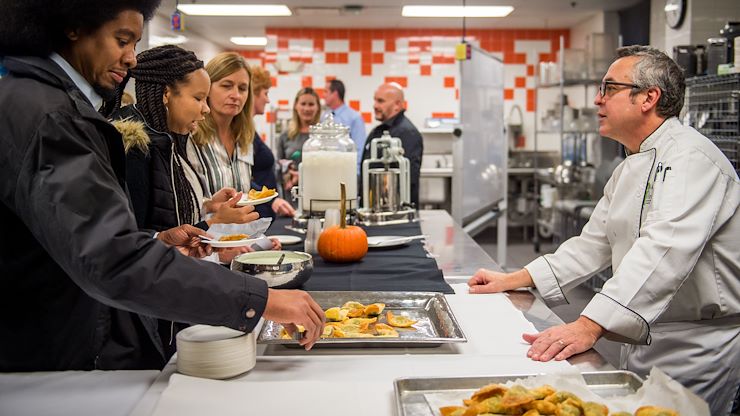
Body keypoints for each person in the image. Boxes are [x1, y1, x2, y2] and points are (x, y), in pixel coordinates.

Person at [0, 0, 323, 372]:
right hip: (43, 357)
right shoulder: (52, 118)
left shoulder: (42, 104)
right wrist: (260, 301)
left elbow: (83, 237)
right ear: (74, 25)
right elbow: (113, 259)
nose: (131, 59)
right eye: (122, 40)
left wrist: (156, 241)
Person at [468, 46, 739, 415]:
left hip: (695, 345)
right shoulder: (630, 164)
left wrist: (589, 324)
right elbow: (592, 244)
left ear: (648, 97)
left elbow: (665, 251)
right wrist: (516, 277)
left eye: (609, 88)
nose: (597, 99)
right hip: (642, 336)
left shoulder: (692, 159)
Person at [116, 45, 258, 235]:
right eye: (199, 98)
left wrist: (207, 205)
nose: (206, 109)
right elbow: (134, 239)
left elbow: (170, 211)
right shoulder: (134, 148)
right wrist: (213, 223)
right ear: (166, 94)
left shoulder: (171, 141)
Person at [187, 53, 293, 222]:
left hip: (243, 242)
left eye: (242, 88)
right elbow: (182, 207)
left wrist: (258, 241)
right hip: (203, 244)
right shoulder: (190, 136)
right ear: (207, 88)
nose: (236, 95)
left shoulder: (245, 138)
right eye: (227, 86)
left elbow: (243, 194)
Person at [361, 82, 423, 207]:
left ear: (397, 105)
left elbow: (408, 180)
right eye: (375, 100)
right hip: (375, 209)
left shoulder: (407, 133)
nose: (375, 105)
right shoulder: (379, 131)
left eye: (381, 101)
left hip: (393, 213)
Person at [249, 64, 296, 219]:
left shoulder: (248, 129)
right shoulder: (242, 132)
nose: (268, 100)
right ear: (253, 93)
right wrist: (272, 200)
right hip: (255, 213)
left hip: (264, 212)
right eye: (265, 93)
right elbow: (240, 180)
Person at [276, 87, 321, 192]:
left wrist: (303, 176)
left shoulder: (322, 137)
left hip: (317, 193)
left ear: (318, 107)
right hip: (291, 194)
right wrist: (287, 176)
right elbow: (278, 166)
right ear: (296, 106)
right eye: (303, 104)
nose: (306, 109)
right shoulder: (285, 136)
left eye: (311, 104)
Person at [324, 79, 366, 173]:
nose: (323, 95)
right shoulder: (325, 117)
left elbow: (359, 149)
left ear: (335, 93)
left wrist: (354, 173)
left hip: (347, 172)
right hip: (327, 171)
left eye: (326, 92)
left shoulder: (354, 117)